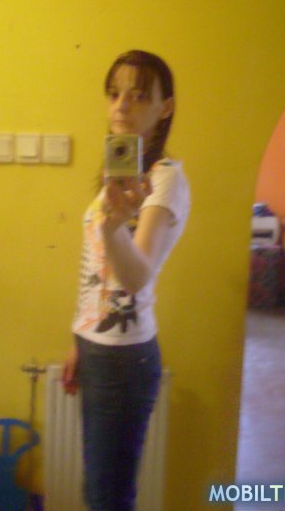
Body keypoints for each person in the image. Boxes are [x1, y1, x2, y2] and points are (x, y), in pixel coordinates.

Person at [62, 50, 190, 511]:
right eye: (114, 94)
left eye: (138, 96)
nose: (121, 105)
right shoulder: (119, 174)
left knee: (107, 497)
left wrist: (114, 227)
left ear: (165, 107)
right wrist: (79, 339)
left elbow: (135, 277)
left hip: (124, 358)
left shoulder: (164, 179)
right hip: (99, 347)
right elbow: (97, 272)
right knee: (100, 489)